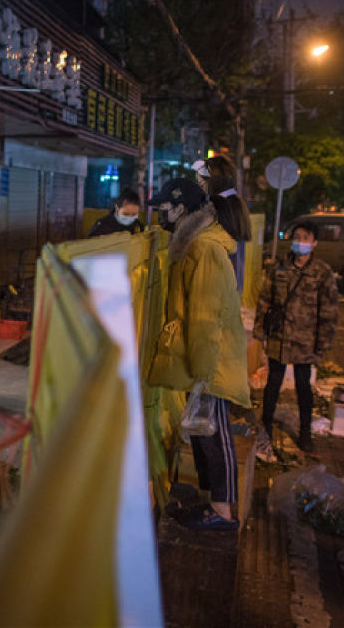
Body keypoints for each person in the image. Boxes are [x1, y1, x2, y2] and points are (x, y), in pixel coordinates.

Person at [148, 177, 249, 530]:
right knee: (205, 434)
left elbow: (206, 315)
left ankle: (223, 511)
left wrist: (204, 372)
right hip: (205, 357)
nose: (161, 213)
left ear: (181, 209)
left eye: (165, 208)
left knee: (216, 436)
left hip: (214, 360)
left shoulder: (204, 248)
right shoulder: (194, 244)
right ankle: (212, 503)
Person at [253, 221, 339, 457]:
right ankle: (266, 428)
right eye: (297, 237)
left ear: (314, 243)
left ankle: (305, 433)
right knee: (273, 384)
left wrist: (324, 342)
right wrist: (260, 331)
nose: (300, 242)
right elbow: (264, 300)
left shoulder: (322, 272)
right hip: (279, 337)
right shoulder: (279, 268)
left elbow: (329, 310)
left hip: (305, 340)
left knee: (303, 387)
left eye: (305, 238)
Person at [193, 155, 252, 295]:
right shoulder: (234, 204)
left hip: (218, 292)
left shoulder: (219, 209)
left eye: (202, 184)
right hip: (230, 290)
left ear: (213, 182)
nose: (201, 189)